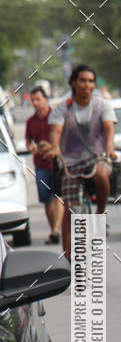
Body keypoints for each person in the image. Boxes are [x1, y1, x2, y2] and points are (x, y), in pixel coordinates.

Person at [46, 64, 117, 259]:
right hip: (70, 163)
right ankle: (69, 258)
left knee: (102, 174)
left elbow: (109, 128)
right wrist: (55, 148)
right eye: (83, 80)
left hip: (97, 158)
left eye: (91, 81)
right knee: (69, 210)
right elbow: (55, 131)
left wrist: (109, 148)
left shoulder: (101, 105)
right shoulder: (63, 108)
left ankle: (100, 215)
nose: (87, 85)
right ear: (74, 83)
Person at [25, 86, 63, 244]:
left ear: (46, 100)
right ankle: (53, 229)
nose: (35, 103)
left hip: (56, 162)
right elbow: (28, 141)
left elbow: (64, 136)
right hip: (40, 164)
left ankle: (56, 230)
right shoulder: (30, 121)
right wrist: (31, 147)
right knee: (46, 199)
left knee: (58, 196)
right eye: (33, 100)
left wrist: (54, 147)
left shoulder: (56, 117)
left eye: (38, 99)